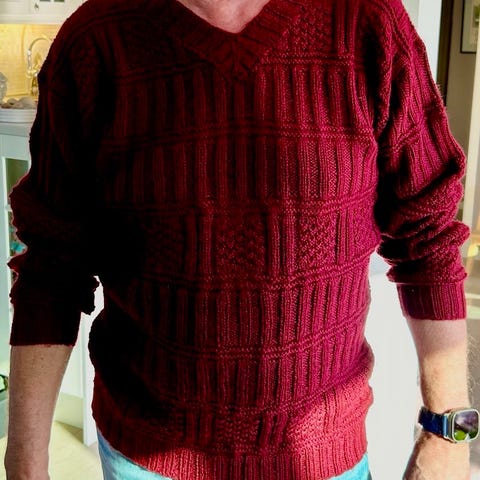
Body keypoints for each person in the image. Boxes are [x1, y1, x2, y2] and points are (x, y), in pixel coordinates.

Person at [3, 0, 476, 478]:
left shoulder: (366, 22)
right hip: (145, 457)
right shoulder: (94, 40)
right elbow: (51, 266)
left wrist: (449, 431)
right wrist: (24, 458)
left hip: (326, 458)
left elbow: (429, 237)